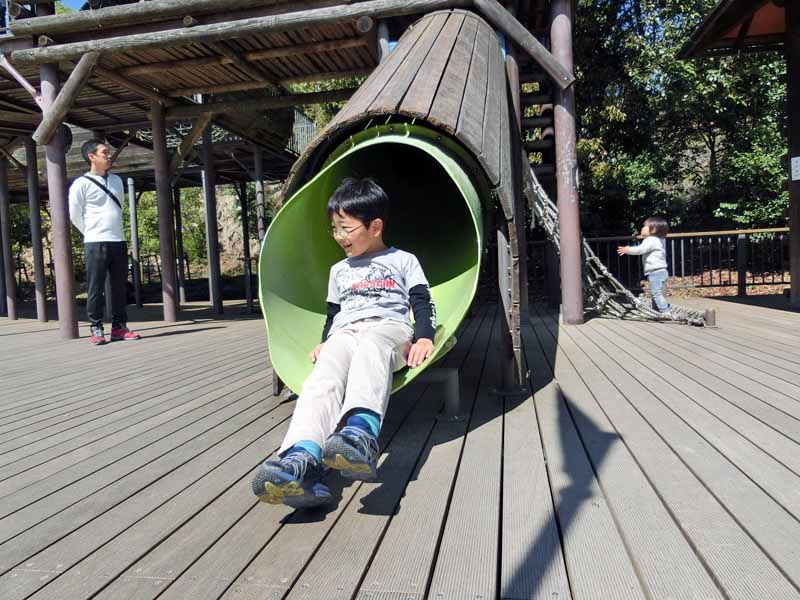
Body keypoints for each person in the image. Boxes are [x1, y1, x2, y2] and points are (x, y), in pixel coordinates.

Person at [251, 177, 436, 509]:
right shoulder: (339, 270)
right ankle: (300, 458)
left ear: (375, 226)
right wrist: (326, 342)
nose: (339, 237)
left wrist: (424, 335)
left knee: (372, 346)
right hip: (345, 332)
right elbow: (332, 313)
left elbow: (422, 301)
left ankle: (359, 432)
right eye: (334, 229)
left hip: (389, 329)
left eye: (346, 228)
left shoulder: (402, 260)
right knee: (321, 379)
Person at [69, 139, 141, 345]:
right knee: (95, 287)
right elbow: (74, 214)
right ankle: (96, 326)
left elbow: (119, 208)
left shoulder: (117, 181)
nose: (109, 156)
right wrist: (90, 233)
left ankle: (119, 327)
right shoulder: (80, 184)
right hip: (95, 242)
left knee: (119, 287)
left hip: (118, 240)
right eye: (104, 152)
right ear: (91, 157)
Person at [617, 216, 671, 314]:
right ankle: (657, 310)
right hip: (660, 271)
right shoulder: (660, 239)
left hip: (655, 272)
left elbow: (640, 249)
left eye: (644, 226)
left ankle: (666, 312)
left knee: (656, 293)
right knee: (656, 293)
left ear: (653, 229)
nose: (642, 228)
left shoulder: (651, 240)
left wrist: (627, 249)